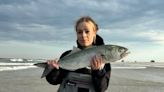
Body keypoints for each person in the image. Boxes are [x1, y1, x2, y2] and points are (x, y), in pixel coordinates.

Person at [46, 16, 111, 92]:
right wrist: (52, 70)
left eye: (87, 31)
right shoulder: (67, 55)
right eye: (79, 32)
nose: (83, 35)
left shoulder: (103, 60)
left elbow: (101, 88)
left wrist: (97, 71)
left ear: (94, 32)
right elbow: (54, 81)